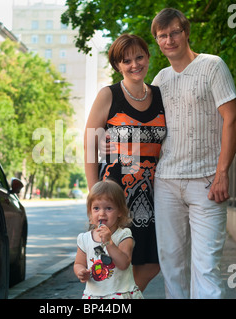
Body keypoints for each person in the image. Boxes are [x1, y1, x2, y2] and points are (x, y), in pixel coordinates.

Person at [150, 8, 236, 298]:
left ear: (186, 32)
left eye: (174, 32)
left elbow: (233, 119)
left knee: (206, 267)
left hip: (206, 183)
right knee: (172, 267)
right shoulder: (159, 80)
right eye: (162, 36)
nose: (169, 39)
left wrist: (222, 173)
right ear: (157, 41)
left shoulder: (212, 66)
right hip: (166, 182)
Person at [84, 34, 167, 291]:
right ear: (117, 65)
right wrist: (93, 194)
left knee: (154, 259)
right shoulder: (108, 95)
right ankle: (115, 299)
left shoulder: (160, 95)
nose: (134, 65)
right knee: (111, 261)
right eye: (126, 60)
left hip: (153, 193)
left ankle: (123, 297)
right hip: (115, 194)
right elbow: (89, 143)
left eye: (139, 57)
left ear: (148, 57)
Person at [74, 180, 143, 299]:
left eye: (108, 208)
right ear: (90, 211)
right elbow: (79, 263)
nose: (102, 213)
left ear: (120, 211)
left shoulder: (123, 235)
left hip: (119, 294)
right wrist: (81, 272)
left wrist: (108, 242)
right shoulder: (84, 238)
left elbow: (123, 264)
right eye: (96, 208)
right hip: (94, 294)